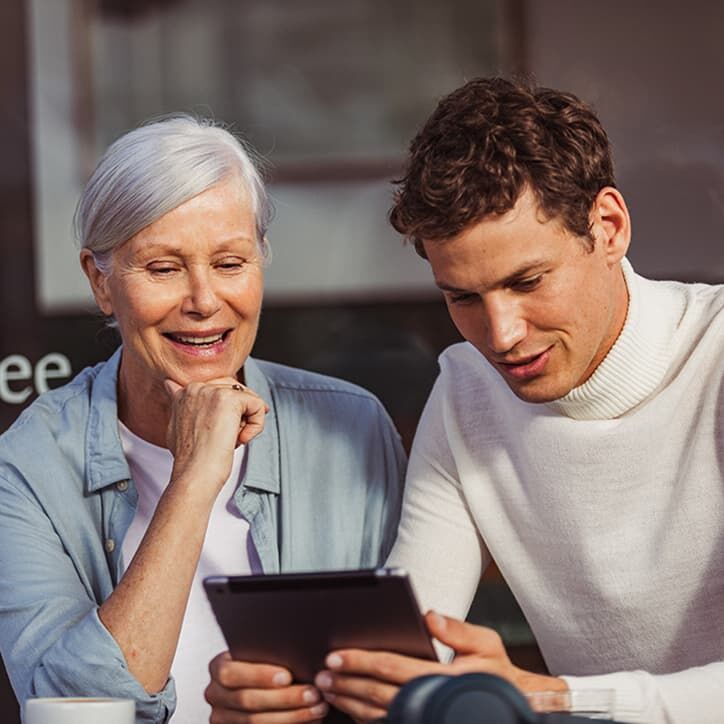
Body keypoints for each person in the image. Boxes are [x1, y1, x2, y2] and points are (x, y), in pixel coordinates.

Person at [308, 78, 724, 724]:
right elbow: (415, 651)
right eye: (463, 298)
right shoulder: (466, 391)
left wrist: (558, 695)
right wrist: (311, 691)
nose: (500, 337)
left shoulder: (716, 358)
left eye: (527, 281)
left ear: (609, 228)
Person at [0, 115, 406, 724]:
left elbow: (410, 684)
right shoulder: (28, 465)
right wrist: (192, 479)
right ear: (100, 282)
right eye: (163, 268)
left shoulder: (354, 428)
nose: (204, 300)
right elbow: (71, 709)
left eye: (229, 262)